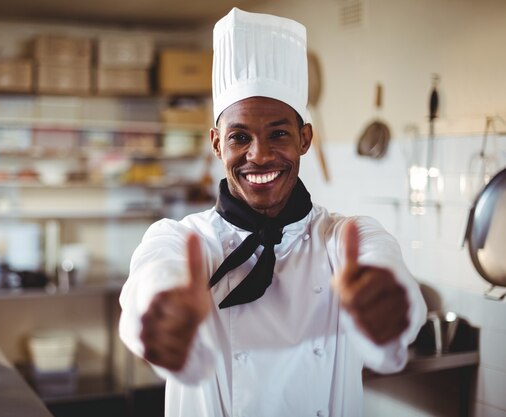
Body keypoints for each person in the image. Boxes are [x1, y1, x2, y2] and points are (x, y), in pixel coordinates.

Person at [119, 7, 427, 417]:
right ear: (216, 144)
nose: (259, 155)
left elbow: (392, 282)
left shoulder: (347, 239)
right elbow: (150, 281)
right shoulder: (181, 240)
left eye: (278, 133)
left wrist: (390, 311)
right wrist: (160, 309)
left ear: (305, 138)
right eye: (239, 137)